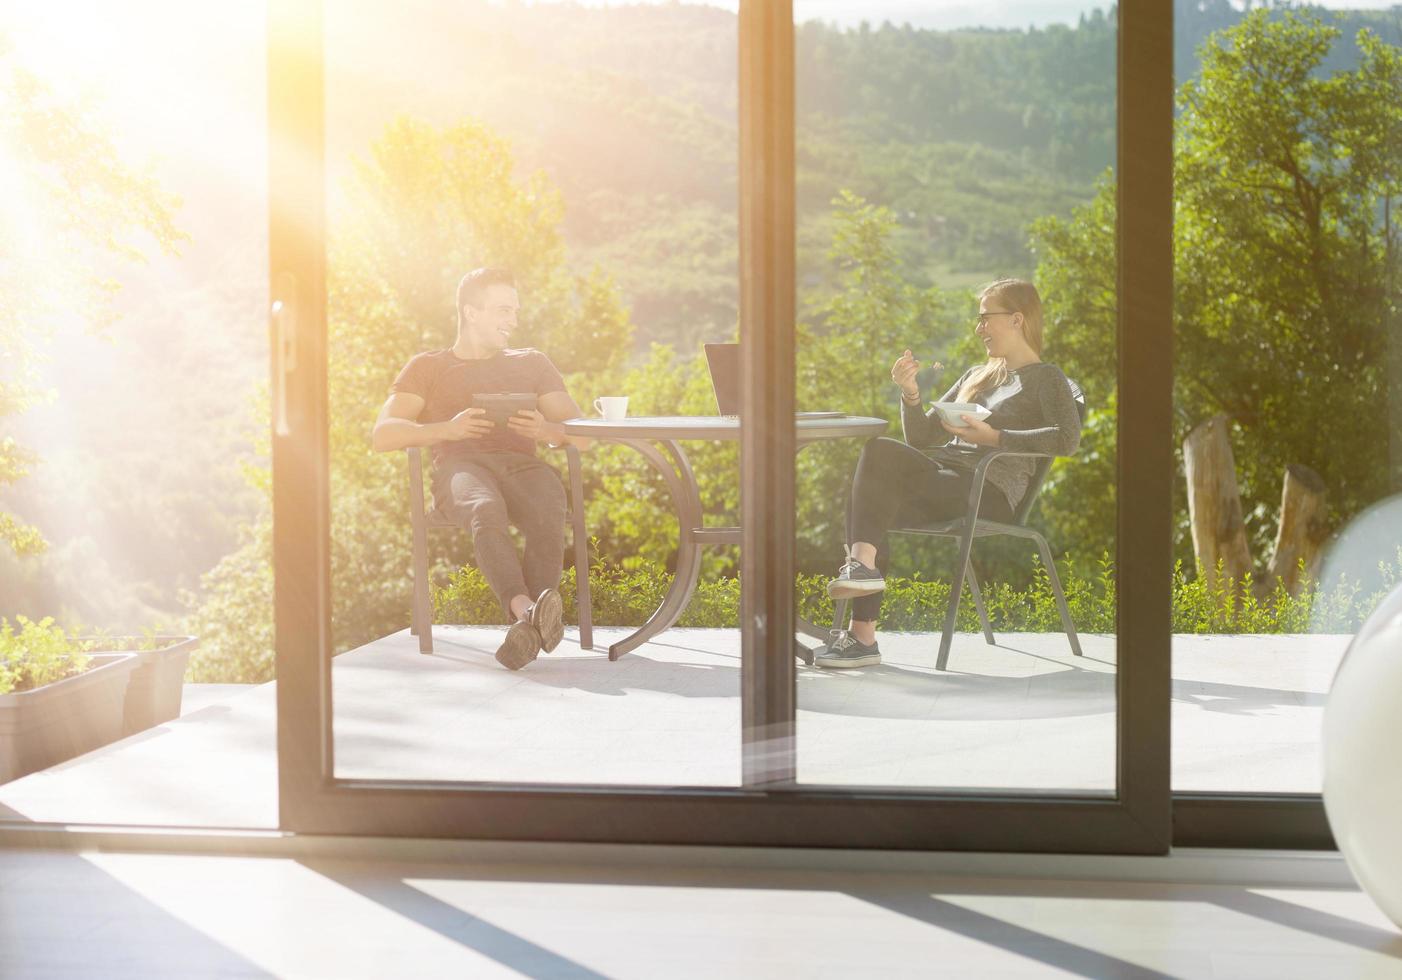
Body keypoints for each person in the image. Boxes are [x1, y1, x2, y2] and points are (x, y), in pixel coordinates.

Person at [816, 277, 1082, 669]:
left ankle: (861, 606)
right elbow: (922, 436)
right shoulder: (977, 375)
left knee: (876, 462)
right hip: (948, 477)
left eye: (985, 318)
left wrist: (995, 436)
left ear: (1017, 319)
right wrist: (910, 394)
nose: (979, 329)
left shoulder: (1049, 379)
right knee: (868, 488)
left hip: (987, 490)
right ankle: (863, 624)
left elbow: (1067, 439)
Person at [371, 267, 587, 671]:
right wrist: (447, 429)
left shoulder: (533, 363)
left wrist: (546, 429)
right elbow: (383, 435)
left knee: (549, 506)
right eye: (504, 310)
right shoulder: (428, 367)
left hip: (523, 467)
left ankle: (528, 627)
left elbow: (583, 435)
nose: (514, 320)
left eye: (515, 311)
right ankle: (528, 611)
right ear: (471, 312)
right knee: (484, 508)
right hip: (460, 468)